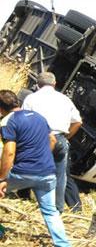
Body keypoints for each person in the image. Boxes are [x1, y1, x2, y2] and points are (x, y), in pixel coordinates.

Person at [0, 90, 71, 246]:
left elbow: (9, 151)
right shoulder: (39, 117)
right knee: (51, 212)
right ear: (17, 102)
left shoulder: (8, 121)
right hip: (47, 173)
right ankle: (63, 244)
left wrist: (2, 178)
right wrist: (43, 158)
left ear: (1, 108)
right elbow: (52, 140)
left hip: (23, 173)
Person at [22, 72, 83, 213]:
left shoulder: (31, 98)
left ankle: (23, 196)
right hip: (60, 140)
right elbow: (78, 122)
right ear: (54, 84)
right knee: (60, 176)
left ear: (38, 84)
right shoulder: (65, 99)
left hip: (40, 138)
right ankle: (57, 209)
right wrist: (66, 138)